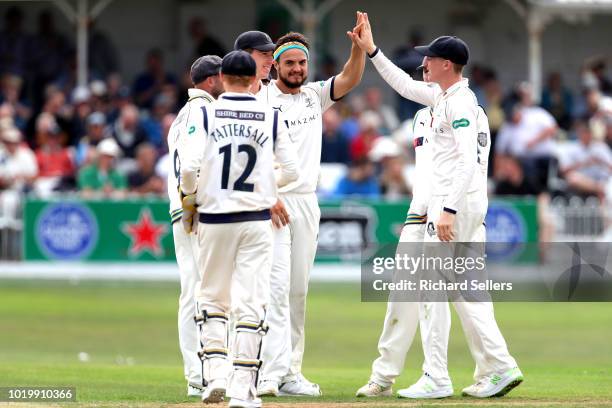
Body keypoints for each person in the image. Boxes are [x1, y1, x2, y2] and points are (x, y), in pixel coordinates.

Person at [351, 13, 523, 399]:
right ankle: (495, 367)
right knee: (460, 291)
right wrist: (373, 51)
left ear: (447, 65)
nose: (422, 63)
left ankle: (440, 376)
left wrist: (447, 209)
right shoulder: (441, 98)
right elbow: (402, 83)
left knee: (436, 290)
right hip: (445, 206)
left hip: (451, 207)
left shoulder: (460, 103)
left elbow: (466, 162)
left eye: (428, 58)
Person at [178, 50, 298, 407]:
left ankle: (215, 375)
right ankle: (243, 390)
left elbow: (188, 167)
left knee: (212, 297)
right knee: (252, 301)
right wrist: (267, 184)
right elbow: (293, 171)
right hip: (256, 219)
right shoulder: (271, 115)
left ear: (223, 78)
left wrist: (190, 199)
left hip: (215, 218)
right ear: (254, 80)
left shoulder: (206, 111)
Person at [256, 14, 366, 397]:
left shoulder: (313, 95)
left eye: (302, 62)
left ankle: (290, 372)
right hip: (272, 202)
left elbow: (350, 78)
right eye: (290, 63)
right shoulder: (260, 98)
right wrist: (266, 197)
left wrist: (358, 46)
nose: (297, 69)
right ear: (275, 65)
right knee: (274, 290)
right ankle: (267, 371)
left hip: (306, 202)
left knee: (297, 291)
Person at [165, 54, 223, 398]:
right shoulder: (201, 110)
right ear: (212, 80)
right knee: (201, 291)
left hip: (187, 206)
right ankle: (200, 372)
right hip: (195, 208)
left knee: (194, 290)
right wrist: (192, 202)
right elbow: (190, 165)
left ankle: (198, 373)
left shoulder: (184, 114)